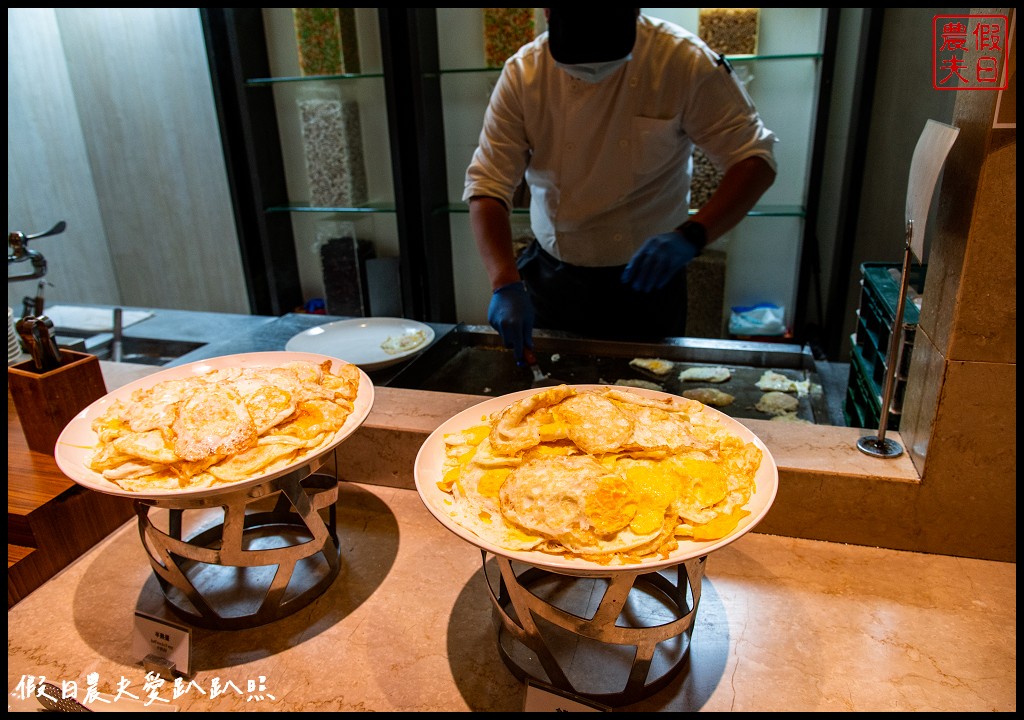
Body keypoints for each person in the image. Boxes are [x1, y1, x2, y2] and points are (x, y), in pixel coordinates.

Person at [464, 8, 778, 362]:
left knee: (652, 402)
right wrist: (504, 281)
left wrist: (693, 235)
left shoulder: (683, 61)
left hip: (650, 281)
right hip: (554, 282)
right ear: (549, 13)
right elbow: (488, 184)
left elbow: (754, 160)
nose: (593, 70)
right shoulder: (524, 74)